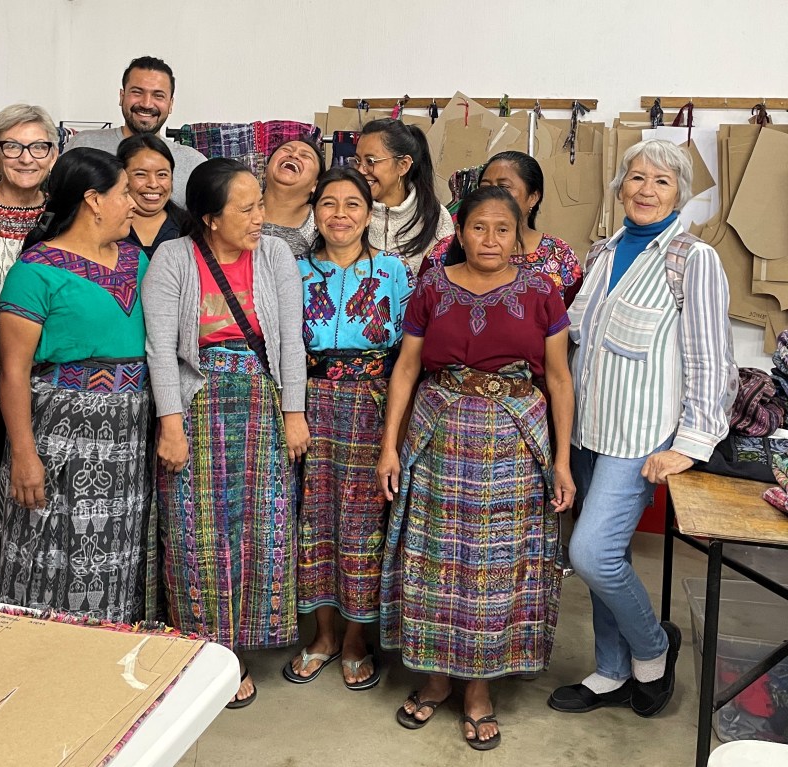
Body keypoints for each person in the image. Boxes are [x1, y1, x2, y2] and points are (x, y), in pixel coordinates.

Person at [377, 185, 575, 749]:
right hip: (438, 437)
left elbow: (559, 378)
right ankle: (436, 678)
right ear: (460, 233)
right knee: (436, 559)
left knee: (494, 567)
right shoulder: (432, 286)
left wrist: (562, 462)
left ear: (519, 237)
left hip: (513, 443)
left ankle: (480, 689)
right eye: (479, 227)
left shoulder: (542, 292)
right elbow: (407, 367)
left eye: (502, 229)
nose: (490, 239)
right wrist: (389, 447)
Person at [548, 139, 736, 719]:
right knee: (612, 555)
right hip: (587, 432)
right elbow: (576, 344)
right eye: (636, 177)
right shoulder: (602, 253)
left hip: (640, 436)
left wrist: (690, 445)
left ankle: (653, 650)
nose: (645, 190)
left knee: (592, 554)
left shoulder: (692, 260)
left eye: (661, 181)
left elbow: (711, 360)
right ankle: (611, 670)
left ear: (680, 193)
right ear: (620, 186)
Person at [144, 158, 307, 709]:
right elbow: (161, 349)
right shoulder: (174, 257)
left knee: (262, 528)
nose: (259, 217)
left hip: (262, 404)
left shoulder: (276, 254)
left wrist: (294, 412)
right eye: (246, 208)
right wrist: (169, 423)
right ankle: (207, 654)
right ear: (211, 217)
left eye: (260, 205)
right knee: (197, 533)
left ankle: (239, 648)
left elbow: (290, 341)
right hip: (197, 405)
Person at [0, 148, 155, 622]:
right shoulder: (34, 272)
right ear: (93, 200)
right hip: (59, 435)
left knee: (115, 552)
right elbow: (13, 373)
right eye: (124, 192)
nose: (134, 202)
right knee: (46, 546)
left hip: (128, 437)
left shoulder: (136, 261)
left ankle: (104, 650)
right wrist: (25, 455)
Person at [283, 167, 412, 691]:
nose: (340, 215)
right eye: (329, 203)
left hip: (372, 409)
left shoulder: (393, 271)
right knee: (311, 520)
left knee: (363, 524)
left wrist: (396, 433)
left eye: (352, 204)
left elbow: (408, 357)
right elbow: (283, 346)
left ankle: (358, 639)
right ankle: (323, 635)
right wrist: (291, 411)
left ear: (369, 212)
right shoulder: (293, 270)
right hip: (307, 407)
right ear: (314, 211)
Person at [0, 103, 58, 598]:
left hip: (47, 385)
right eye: (13, 146)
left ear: (54, 154)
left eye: (39, 146)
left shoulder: (64, 216)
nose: (26, 157)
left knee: (35, 504)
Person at [421, 150, 583, 307]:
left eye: (503, 187)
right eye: (485, 187)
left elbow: (575, 318)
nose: (493, 195)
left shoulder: (559, 256)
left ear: (533, 197)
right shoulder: (443, 251)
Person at [65, 55, 206, 206]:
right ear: (122, 96)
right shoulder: (84, 145)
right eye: (137, 92)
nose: (146, 104)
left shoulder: (193, 164)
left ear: (171, 104)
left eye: (158, 95)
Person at [351, 119, 453, 276]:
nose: (360, 170)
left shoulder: (436, 217)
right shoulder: (347, 211)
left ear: (403, 165)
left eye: (370, 161)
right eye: (357, 161)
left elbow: (445, 281)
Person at [116, 133, 190, 258]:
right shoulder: (106, 229)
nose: (153, 184)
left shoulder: (190, 228)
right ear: (121, 177)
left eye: (162, 174)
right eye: (141, 174)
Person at [261, 138, 326, 256]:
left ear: (315, 185)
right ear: (265, 169)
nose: (294, 155)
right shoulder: (237, 207)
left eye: (305, 156)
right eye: (286, 150)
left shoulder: (322, 222)